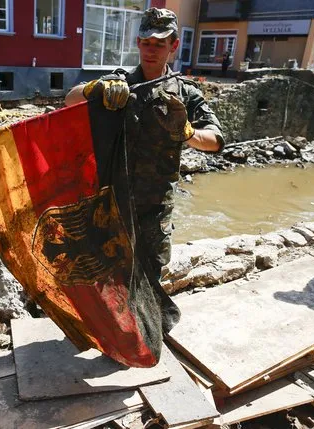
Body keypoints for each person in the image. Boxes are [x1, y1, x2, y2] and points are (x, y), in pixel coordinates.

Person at [65, 8, 224, 327]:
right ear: (138, 43)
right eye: (146, 42)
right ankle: (117, 333)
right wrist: (95, 90)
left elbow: (216, 140)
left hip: (155, 208)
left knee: (149, 276)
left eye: (160, 43)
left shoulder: (186, 93)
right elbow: (69, 100)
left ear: (174, 46)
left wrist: (188, 132)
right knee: (109, 274)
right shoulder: (119, 84)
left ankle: (143, 335)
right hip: (113, 205)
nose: (151, 49)